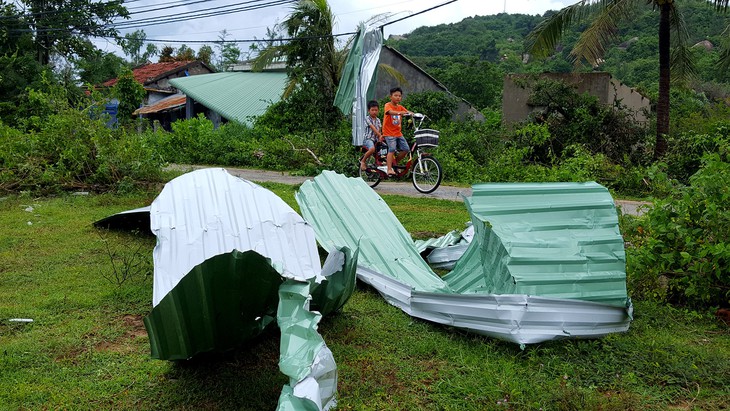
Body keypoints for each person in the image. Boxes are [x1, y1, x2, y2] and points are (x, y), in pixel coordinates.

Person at [382, 87, 411, 176]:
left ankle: (394, 163)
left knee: (406, 149)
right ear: (391, 96)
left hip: (398, 133)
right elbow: (389, 112)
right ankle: (389, 169)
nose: (398, 97)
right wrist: (400, 113)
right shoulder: (388, 105)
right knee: (392, 149)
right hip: (389, 132)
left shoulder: (400, 107)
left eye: (399, 96)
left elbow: (407, 112)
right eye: (395, 95)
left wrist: (414, 114)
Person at [361, 100, 383, 171]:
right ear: (368, 110)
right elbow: (373, 128)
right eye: (372, 110)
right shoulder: (367, 118)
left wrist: (380, 138)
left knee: (385, 149)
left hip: (375, 139)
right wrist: (380, 135)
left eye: (376, 110)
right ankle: (363, 161)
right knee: (372, 149)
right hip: (368, 139)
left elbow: (379, 130)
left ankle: (380, 164)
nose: (374, 112)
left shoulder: (378, 120)